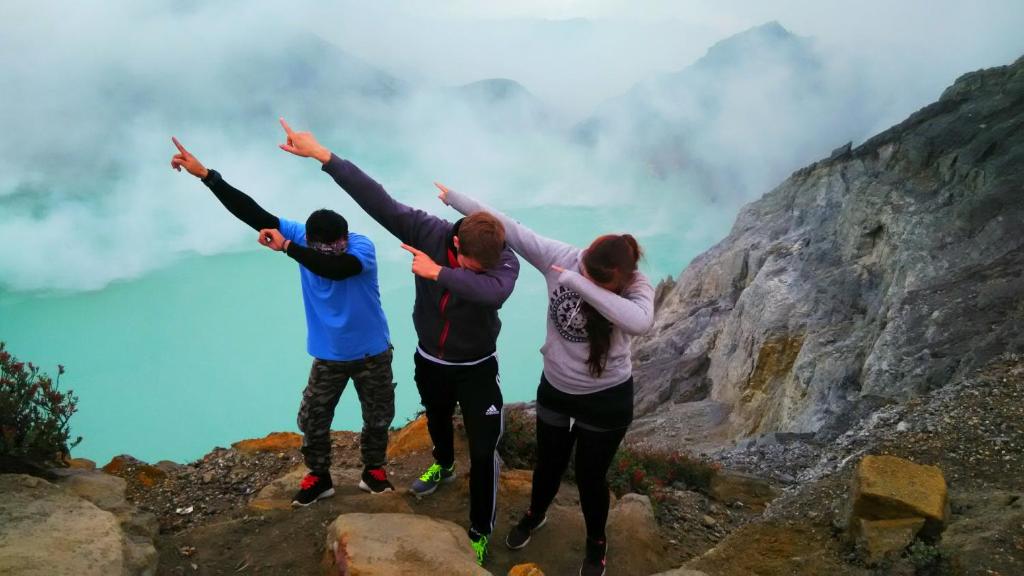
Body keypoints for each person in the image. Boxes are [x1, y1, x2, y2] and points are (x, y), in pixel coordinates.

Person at [275, 119, 520, 565]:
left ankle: (480, 530)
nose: (480, 272)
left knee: (485, 451)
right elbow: (379, 203)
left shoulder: (501, 259)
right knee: (438, 420)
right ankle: (443, 464)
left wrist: (440, 273)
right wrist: (325, 157)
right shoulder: (429, 232)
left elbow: (493, 292)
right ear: (458, 242)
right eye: (470, 265)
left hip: (478, 366)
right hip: (432, 358)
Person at [437, 182, 654, 576]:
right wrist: (456, 199)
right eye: (582, 267)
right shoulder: (565, 257)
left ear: (617, 280)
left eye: (592, 277)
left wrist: (577, 283)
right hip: (556, 387)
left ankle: (595, 544)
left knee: (590, 476)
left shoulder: (637, 286)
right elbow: (510, 227)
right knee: (548, 464)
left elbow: (640, 322)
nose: (580, 271)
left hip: (606, 399)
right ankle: (536, 514)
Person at [169, 136, 396, 507]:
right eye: (327, 245)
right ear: (312, 239)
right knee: (313, 418)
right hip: (329, 354)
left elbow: (337, 270)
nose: (336, 249)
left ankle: (373, 470)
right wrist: (206, 175)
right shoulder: (302, 238)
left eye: (339, 243)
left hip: (372, 352)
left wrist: (289, 248)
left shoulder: (361, 248)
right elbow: (252, 212)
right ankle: (319, 476)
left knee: (378, 416)